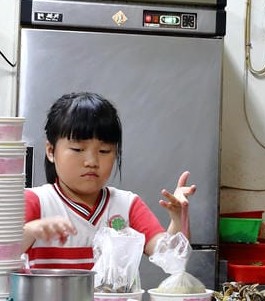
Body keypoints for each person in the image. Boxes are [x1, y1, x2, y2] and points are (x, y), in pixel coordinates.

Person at [23, 92, 197, 270]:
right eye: (78, 149)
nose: (91, 162)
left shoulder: (127, 205)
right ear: (51, 151)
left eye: (104, 151)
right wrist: (30, 231)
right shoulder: (36, 201)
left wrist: (178, 219)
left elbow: (172, 259)